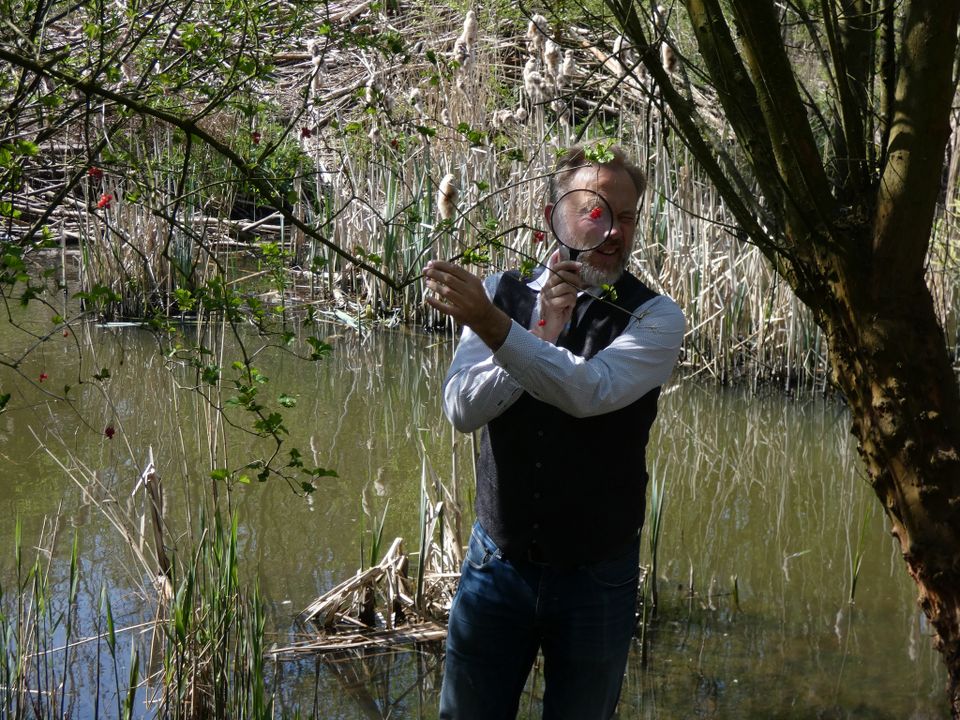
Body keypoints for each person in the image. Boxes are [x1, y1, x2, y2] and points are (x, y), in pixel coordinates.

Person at [423, 144, 684, 720]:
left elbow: (588, 392)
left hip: (597, 576)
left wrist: (501, 333)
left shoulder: (654, 317)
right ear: (553, 217)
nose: (613, 232)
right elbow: (462, 410)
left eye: (628, 217)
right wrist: (536, 331)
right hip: (496, 564)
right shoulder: (501, 292)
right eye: (596, 212)